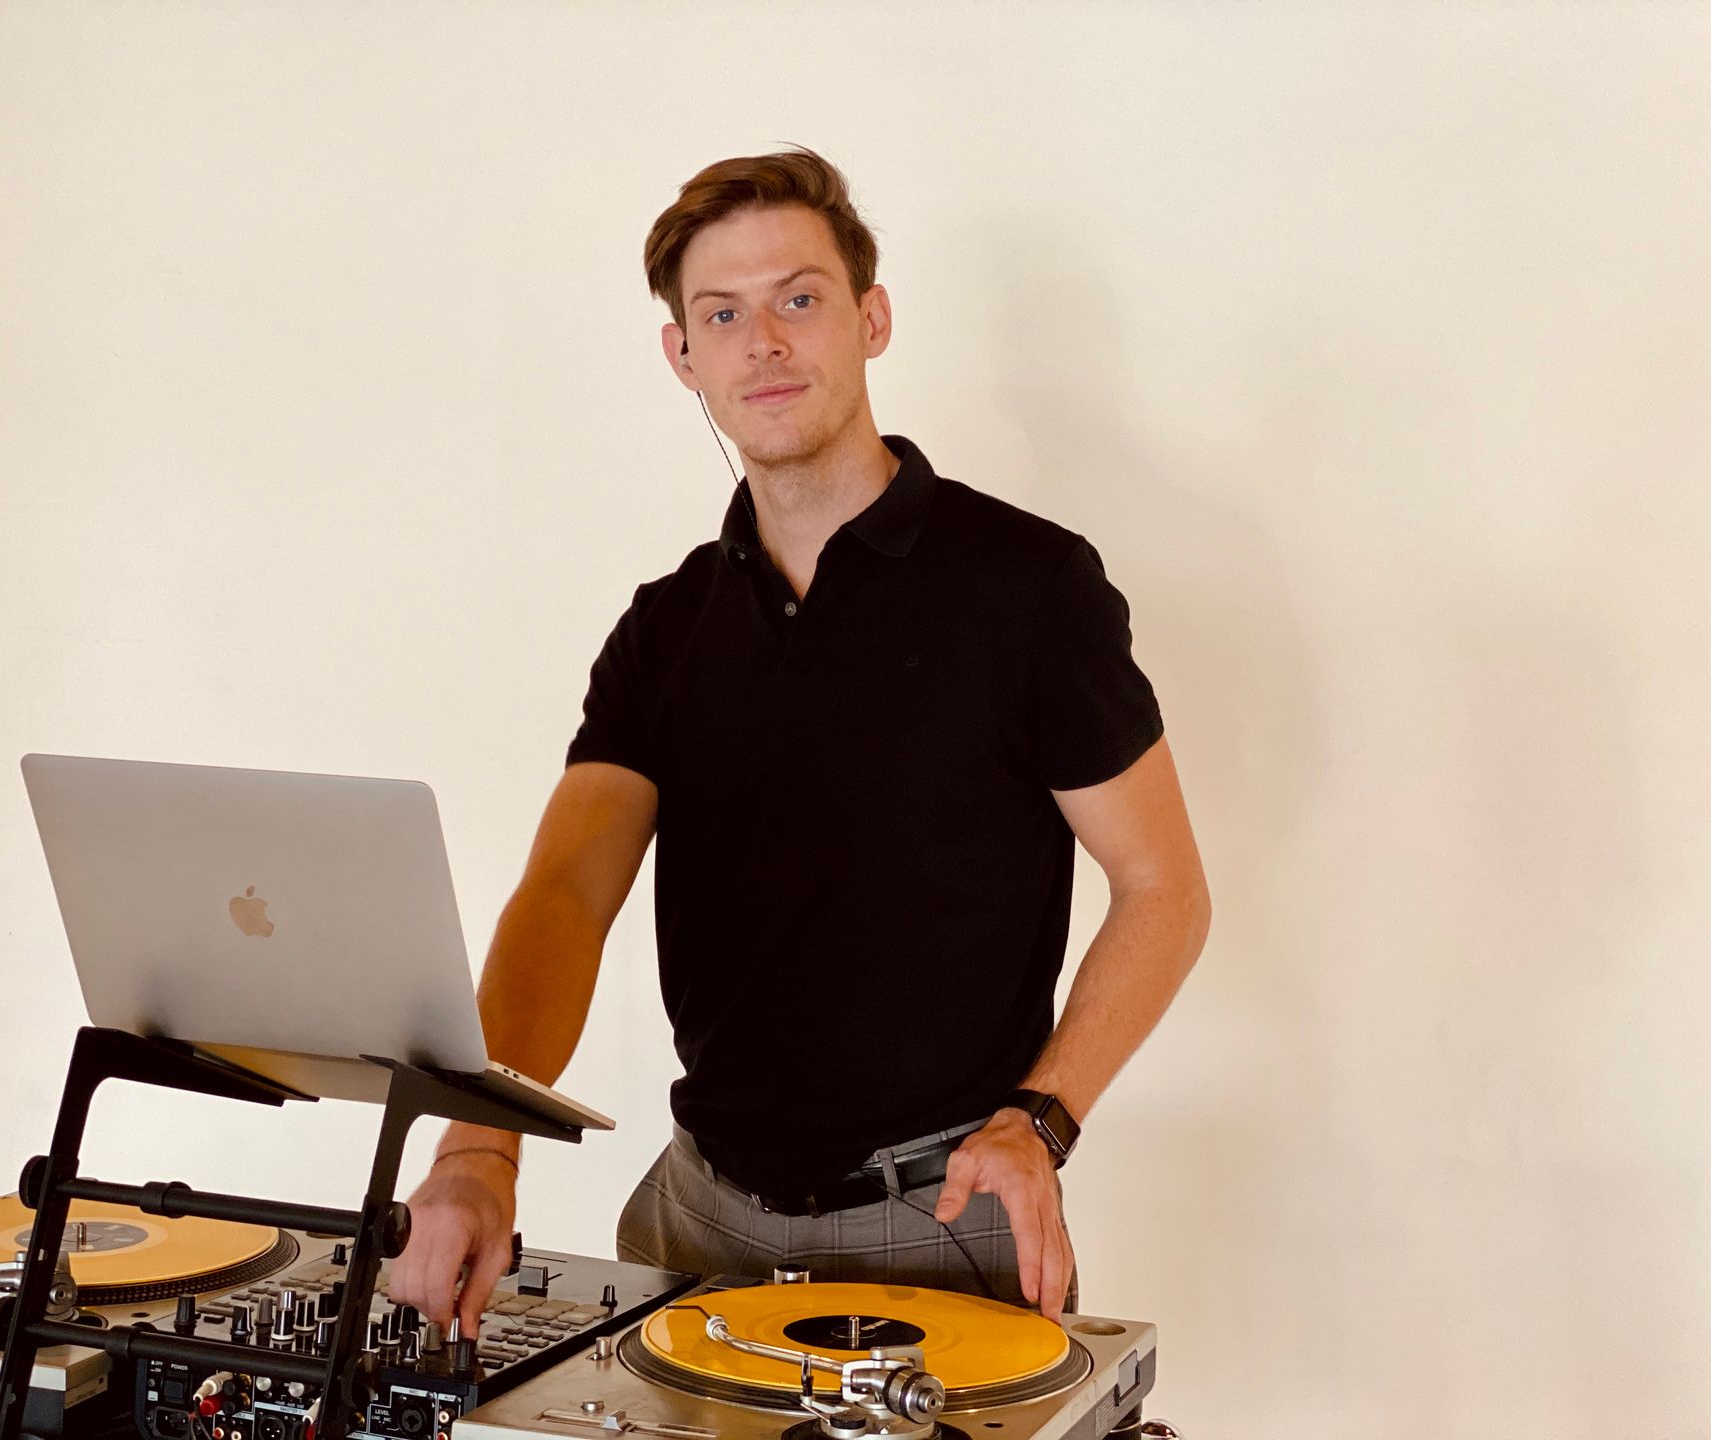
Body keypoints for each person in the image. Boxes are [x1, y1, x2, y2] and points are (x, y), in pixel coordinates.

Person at [388, 147, 1211, 1342]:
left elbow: (1164, 890)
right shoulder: (664, 627)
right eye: (722, 313)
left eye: (799, 299)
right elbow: (565, 894)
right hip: (694, 1220)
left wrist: (1041, 1120)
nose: (763, 341)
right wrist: (478, 1147)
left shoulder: (1030, 588)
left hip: (938, 1218)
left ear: (871, 320)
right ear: (683, 356)